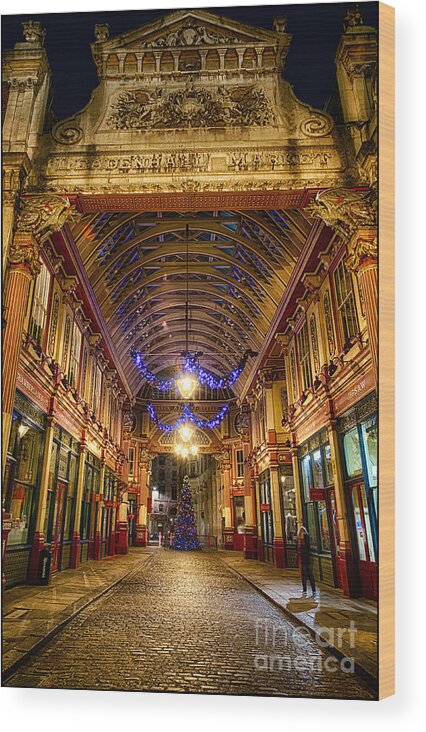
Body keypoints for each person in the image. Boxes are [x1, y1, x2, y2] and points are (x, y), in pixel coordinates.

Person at [297, 526, 316, 597]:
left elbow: (308, 549)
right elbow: (297, 550)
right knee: (303, 576)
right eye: (301, 532)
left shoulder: (306, 539)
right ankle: (304, 589)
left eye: (303, 532)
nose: (302, 534)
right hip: (301, 560)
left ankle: (313, 590)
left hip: (307, 560)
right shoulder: (298, 540)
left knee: (310, 575)